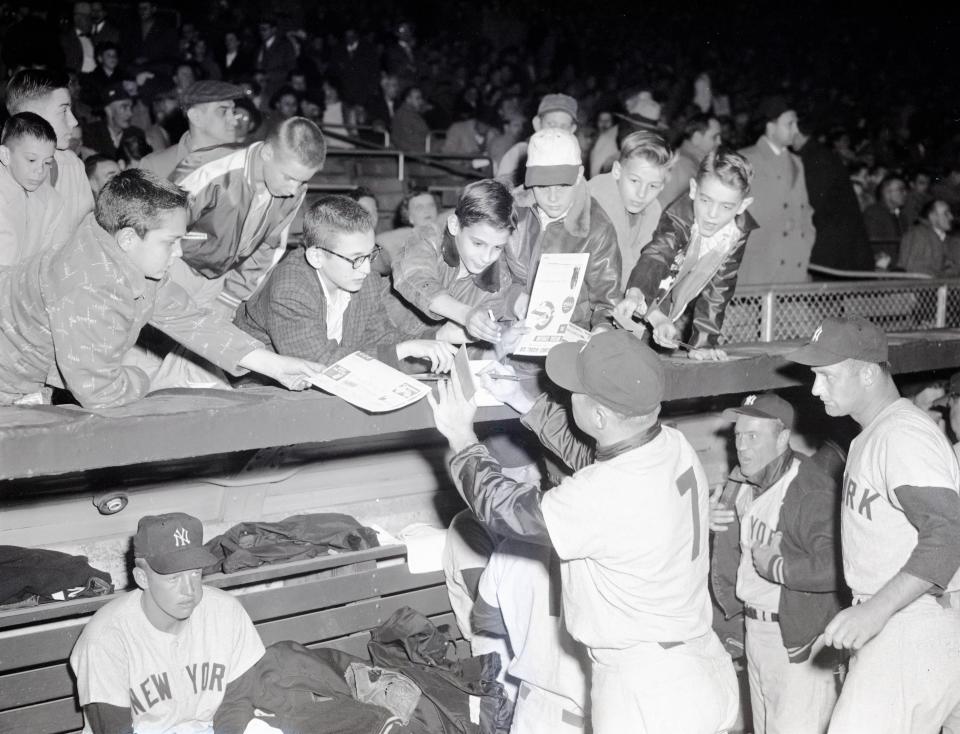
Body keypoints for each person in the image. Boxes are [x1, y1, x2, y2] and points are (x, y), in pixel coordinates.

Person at [427, 330, 738, 733]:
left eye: (574, 390)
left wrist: (462, 438)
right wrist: (527, 403)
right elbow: (596, 460)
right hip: (697, 669)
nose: (564, 392)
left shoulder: (604, 493)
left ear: (600, 416)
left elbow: (506, 511)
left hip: (647, 690)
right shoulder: (672, 446)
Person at [0, 169, 322, 408]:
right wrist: (148, 380)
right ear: (128, 238)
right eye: (170, 242)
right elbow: (100, 392)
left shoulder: (115, 249)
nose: (179, 252)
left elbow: (189, 318)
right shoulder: (89, 288)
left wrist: (276, 365)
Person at [786, 317, 960, 734]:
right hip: (902, 625)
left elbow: (950, 534)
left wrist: (875, 612)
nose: (815, 389)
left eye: (826, 376)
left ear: (867, 373)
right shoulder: (874, 433)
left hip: (911, 625)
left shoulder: (901, 434)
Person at [710, 393, 843, 734]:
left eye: (753, 436)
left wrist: (780, 568)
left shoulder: (807, 487)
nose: (741, 445)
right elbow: (730, 560)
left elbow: (839, 565)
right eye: (738, 435)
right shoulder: (741, 483)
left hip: (797, 641)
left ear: (783, 438)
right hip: (755, 633)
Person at [70, 512, 266, 733]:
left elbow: (237, 705)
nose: (189, 590)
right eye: (174, 577)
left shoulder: (226, 612)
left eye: (194, 573)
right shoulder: (106, 639)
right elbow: (113, 730)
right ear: (142, 578)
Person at [234, 195, 456, 372]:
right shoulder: (291, 287)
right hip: (257, 386)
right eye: (356, 258)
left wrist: (428, 343)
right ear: (317, 257)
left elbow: (380, 336)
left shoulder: (363, 280)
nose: (367, 269)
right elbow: (316, 363)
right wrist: (403, 349)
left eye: (370, 255)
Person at [169, 116, 326, 318]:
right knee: (143, 344)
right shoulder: (213, 168)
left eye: (303, 182)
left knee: (196, 347)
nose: (294, 190)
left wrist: (231, 297)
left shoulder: (294, 189)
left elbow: (268, 247)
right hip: (176, 265)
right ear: (267, 152)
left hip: (220, 279)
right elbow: (158, 221)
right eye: (289, 177)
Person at [615, 149, 757, 361]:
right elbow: (657, 256)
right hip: (627, 292)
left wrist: (704, 343)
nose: (712, 214)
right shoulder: (679, 216)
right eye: (706, 201)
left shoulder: (736, 231)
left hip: (661, 312)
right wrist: (637, 293)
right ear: (693, 190)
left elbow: (719, 288)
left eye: (726, 206)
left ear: (742, 206)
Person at [507, 129, 621, 331]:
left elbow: (607, 303)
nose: (552, 198)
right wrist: (514, 297)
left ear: (579, 176)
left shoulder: (597, 228)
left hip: (570, 334)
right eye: (542, 187)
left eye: (562, 186)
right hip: (510, 326)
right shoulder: (510, 213)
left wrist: (602, 330)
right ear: (529, 180)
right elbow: (489, 271)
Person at [392, 178, 518, 342]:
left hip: (420, 355)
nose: (487, 258)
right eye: (478, 243)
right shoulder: (428, 237)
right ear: (454, 225)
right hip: (373, 332)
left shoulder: (499, 283)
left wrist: (501, 340)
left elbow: (460, 341)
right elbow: (413, 277)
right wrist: (466, 315)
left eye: (497, 247)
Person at [5, 68, 95, 236]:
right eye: (63, 110)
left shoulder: (72, 164)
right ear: (32, 117)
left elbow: (86, 236)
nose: (74, 121)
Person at [738, 97, 815, 285]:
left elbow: (806, 211)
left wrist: (806, 241)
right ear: (771, 127)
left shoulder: (797, 163)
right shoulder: (745, 159)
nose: (796, 130)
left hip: (795, 269)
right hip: (759, 271)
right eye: (790, 124)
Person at [588, 130, 673, 287]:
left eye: (653, 186)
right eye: (634, 181)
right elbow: (619, 260)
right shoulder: (601, 193)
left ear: (662, 186)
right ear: (617, 171)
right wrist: (637, 296)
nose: (642, 194)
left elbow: (644, 259)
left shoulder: (653, 208)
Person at [794, 121, 876, 272]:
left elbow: (813, 202)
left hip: (834, 248)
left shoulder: (816, 157)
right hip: (836, 245)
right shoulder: (816, 154)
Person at [138, 80, 243, 180]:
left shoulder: (243, 162)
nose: (234, 121)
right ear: (196, 117)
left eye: (233, 111)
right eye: (223, 112)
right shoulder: (156, 168)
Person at [0, 112, 67, 266]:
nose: (40, 171)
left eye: (47, 162)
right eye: (31, 160)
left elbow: (48, 258)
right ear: (5, 155)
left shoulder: (51, 200)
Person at [497, 93, 578, 188]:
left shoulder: (573, 158)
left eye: (563, 126)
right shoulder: (520, 153)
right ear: (537, 124)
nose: (557, 131)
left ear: (572, 130)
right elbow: (499, 190)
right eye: (551, 124)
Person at [658, 114, 722, 207]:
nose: (719, 142)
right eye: (714, 137)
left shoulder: (690, 163)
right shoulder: (682, 165)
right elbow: (664, 207)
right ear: (696, 137)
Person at [897, 199, 958, 276]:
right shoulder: (918, 235)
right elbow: (914, 269)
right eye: (946, 213)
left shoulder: (952, 240)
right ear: (932, 217)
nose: (951, 217)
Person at [863, 175, 908, 244]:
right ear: (887, 193)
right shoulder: (873, 214)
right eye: (901, 190)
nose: (905, 193)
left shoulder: (902, 215)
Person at [390, 86, 430, 153]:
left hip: (423, 148)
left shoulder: (413, 113)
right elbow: (408, 139)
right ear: (408, 99)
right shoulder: (403, 115)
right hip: (416, 151)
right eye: (418, 98)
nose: (421, 101)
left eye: (421, 98)